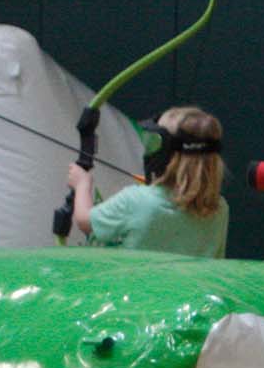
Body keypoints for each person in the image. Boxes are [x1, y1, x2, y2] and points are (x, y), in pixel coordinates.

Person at [67, 105, 229, 258]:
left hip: (133, 287)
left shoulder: (136, 200)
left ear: (164, 150)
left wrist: (82, 184)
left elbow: (85, 221)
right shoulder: (219, 209)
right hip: (190, 288)